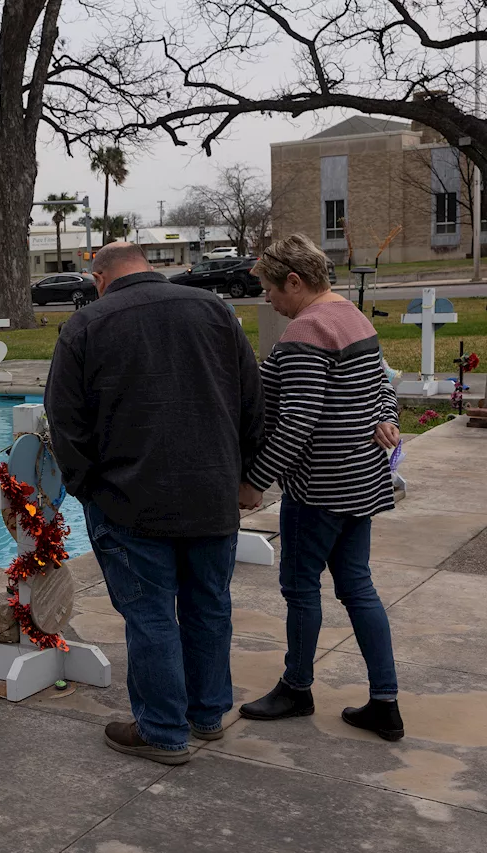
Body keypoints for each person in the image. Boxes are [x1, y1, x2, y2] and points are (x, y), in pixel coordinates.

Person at [46, 242, 264, 765]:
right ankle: (206, 713)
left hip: (129, 501)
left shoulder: (86, 326)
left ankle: (163, 730)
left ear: (98, 278)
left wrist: (87, 489)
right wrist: (245, 476)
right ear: (149, 266)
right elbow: (252, 399)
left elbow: (66, 422)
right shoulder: (216, 310)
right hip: (212, 493)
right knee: (208, 605)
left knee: (150, 615)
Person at [238, 234, 403, 741]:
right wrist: (388, 419)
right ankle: (385, 702)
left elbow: (297, 423)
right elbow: (384, 386)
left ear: (294, 281)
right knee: (358, 586)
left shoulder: (308, 331)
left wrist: (254, 481)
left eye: (270, 288)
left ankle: (297, 688)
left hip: (320, 491)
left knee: (300, 588)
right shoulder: (353, 317)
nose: (267, 298)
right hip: (361, 482)